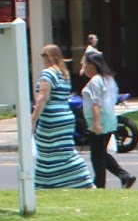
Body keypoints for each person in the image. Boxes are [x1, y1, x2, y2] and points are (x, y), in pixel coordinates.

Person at [29, 44, 93, 189]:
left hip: (51, 118)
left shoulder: (48, 74)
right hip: (66, 116)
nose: (42, 59)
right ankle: (53, 183)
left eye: (43, 56)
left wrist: (33, 119)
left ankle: (46, 184)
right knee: (64, 150)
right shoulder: (64, 74)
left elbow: (42, 98)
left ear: (49, 57)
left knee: (47, 152)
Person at [80, 53, 136, 189]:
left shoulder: (95, 81)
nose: (83, 68)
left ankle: (100, 184)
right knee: (101, 153)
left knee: (97, 156)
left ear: (92, 65)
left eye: (85, 64)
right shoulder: (109, 79)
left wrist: (96, 123)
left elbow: (96, 103)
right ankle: (124, 177)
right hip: (110, 120)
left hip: (100, 121)